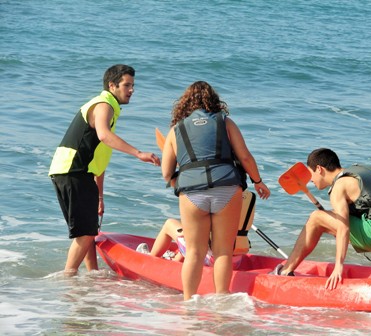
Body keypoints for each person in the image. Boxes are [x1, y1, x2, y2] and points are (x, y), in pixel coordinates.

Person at [161, 81, 270, 300]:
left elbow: (166, 173)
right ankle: (221, 300)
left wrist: (182, 186)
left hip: (192, 193)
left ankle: (188, 302)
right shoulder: (225, 122)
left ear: (184, 104)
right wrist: (258, 181)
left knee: (193, 252)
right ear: (213, 100)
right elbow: (245, 156)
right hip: (227, 189)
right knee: (223, 252)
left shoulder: (176, 130)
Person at [49, 64, 160, 276]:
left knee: (87, 231)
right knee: (85, 233)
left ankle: (92, 275)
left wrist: (100, 197)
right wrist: (138, 153)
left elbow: (99, 162)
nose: (132, 90)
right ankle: (68, 277)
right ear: (112, 85)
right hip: (73, 170)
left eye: (133, 85)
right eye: (127, 85)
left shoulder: (109, 108)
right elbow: (103, 135)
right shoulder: (103, 105)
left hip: (72, 171)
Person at [271, 148, 371, 290]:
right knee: (368, 215)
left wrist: (339, 267)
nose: (310, 180)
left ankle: (285, 271)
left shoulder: (339, 186)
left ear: (319, 169)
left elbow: (343, 228)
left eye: (311, 174)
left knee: (316, 218)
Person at [136, 218, 213, 265]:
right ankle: (177, 261)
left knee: (169, 224)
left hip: (202, 258)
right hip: (220, 261)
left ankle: (151, 259)